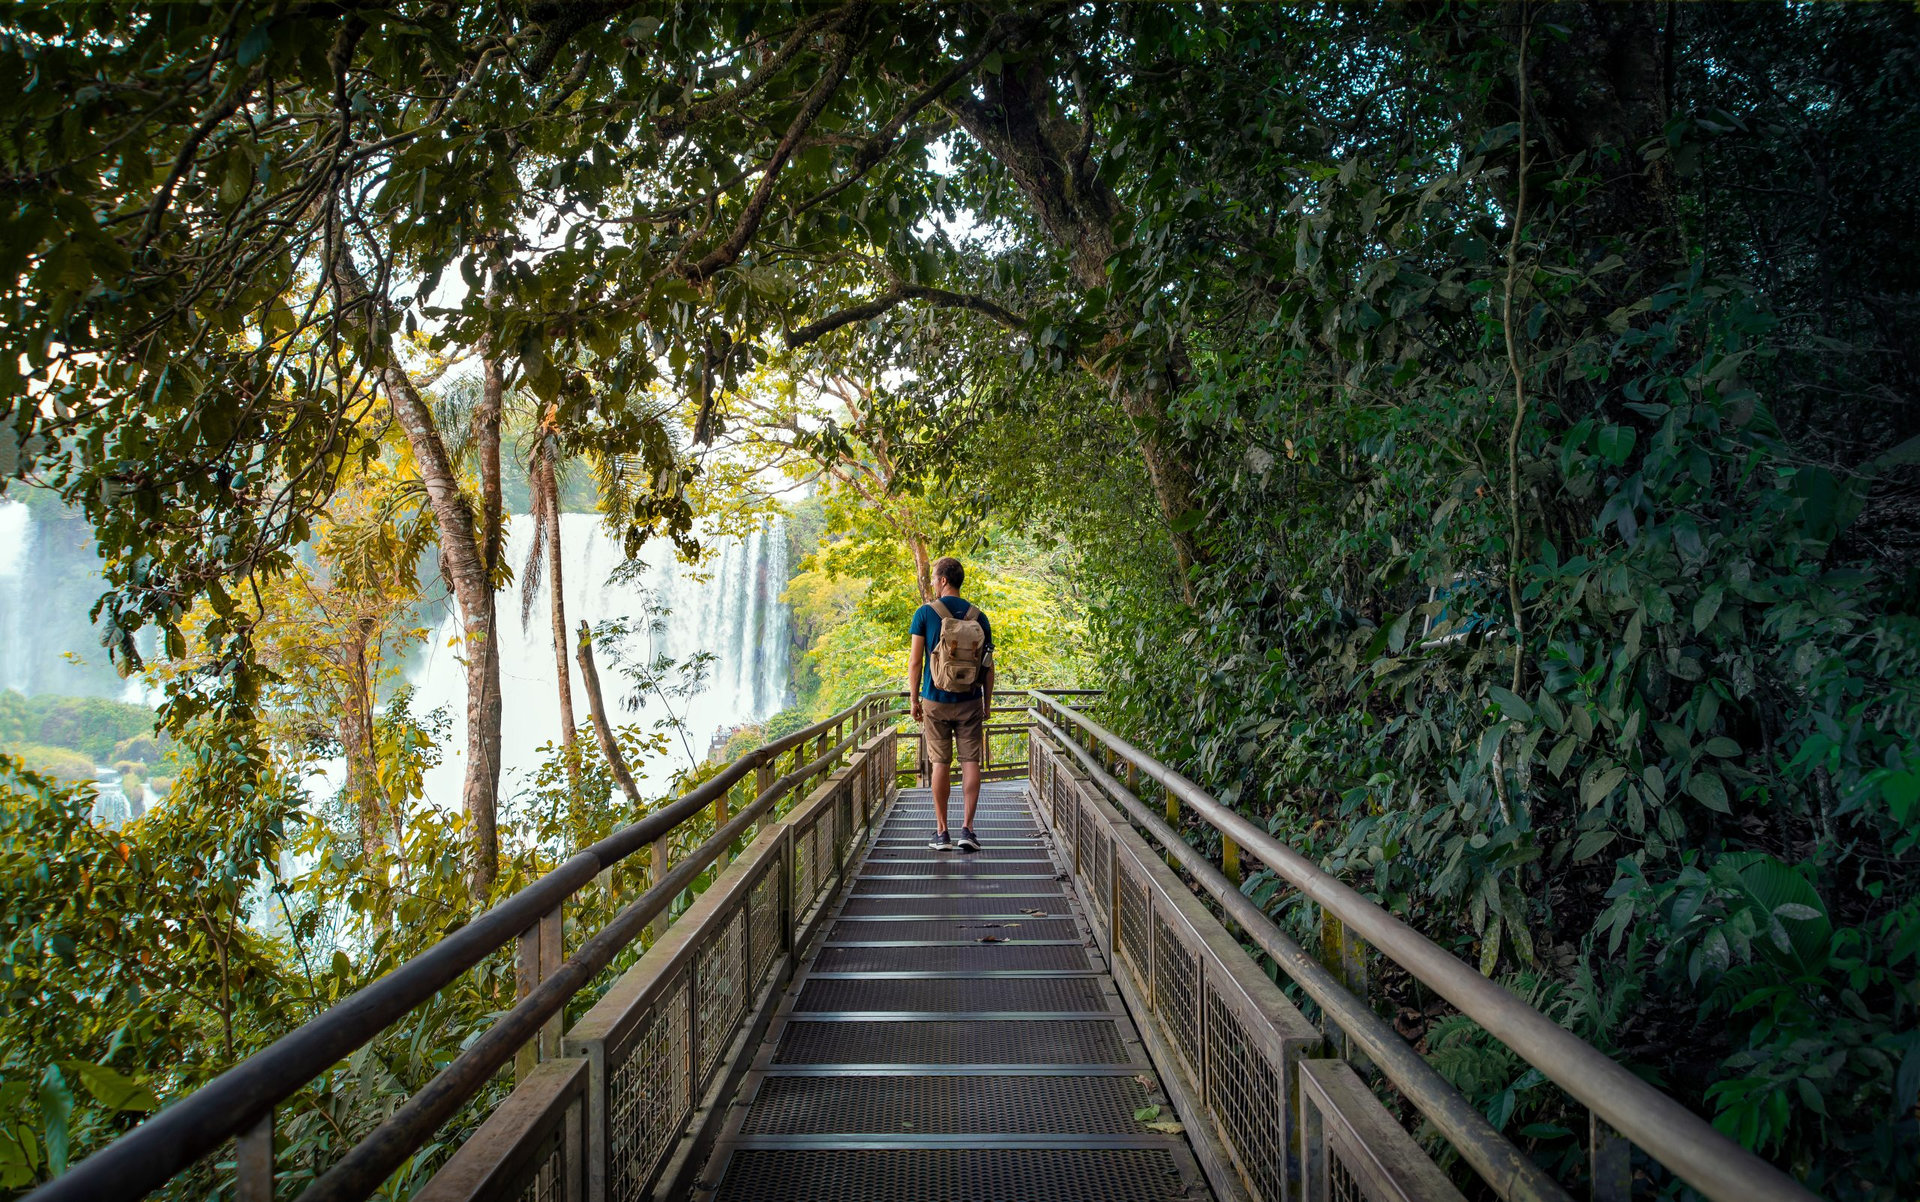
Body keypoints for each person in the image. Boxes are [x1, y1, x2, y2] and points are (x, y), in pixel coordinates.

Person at [907, 556, 994, 851]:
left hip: (935, 700)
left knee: (939, 762)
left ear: (943, 580)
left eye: (933, 577)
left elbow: (916, 661)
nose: (932, 582)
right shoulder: (979, 617)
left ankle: (942, 832)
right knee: (971, 762)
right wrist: (987, 703)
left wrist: (914, 698)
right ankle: (967, 830)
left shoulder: (925, 613)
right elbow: (988, 665)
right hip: (970, 700)